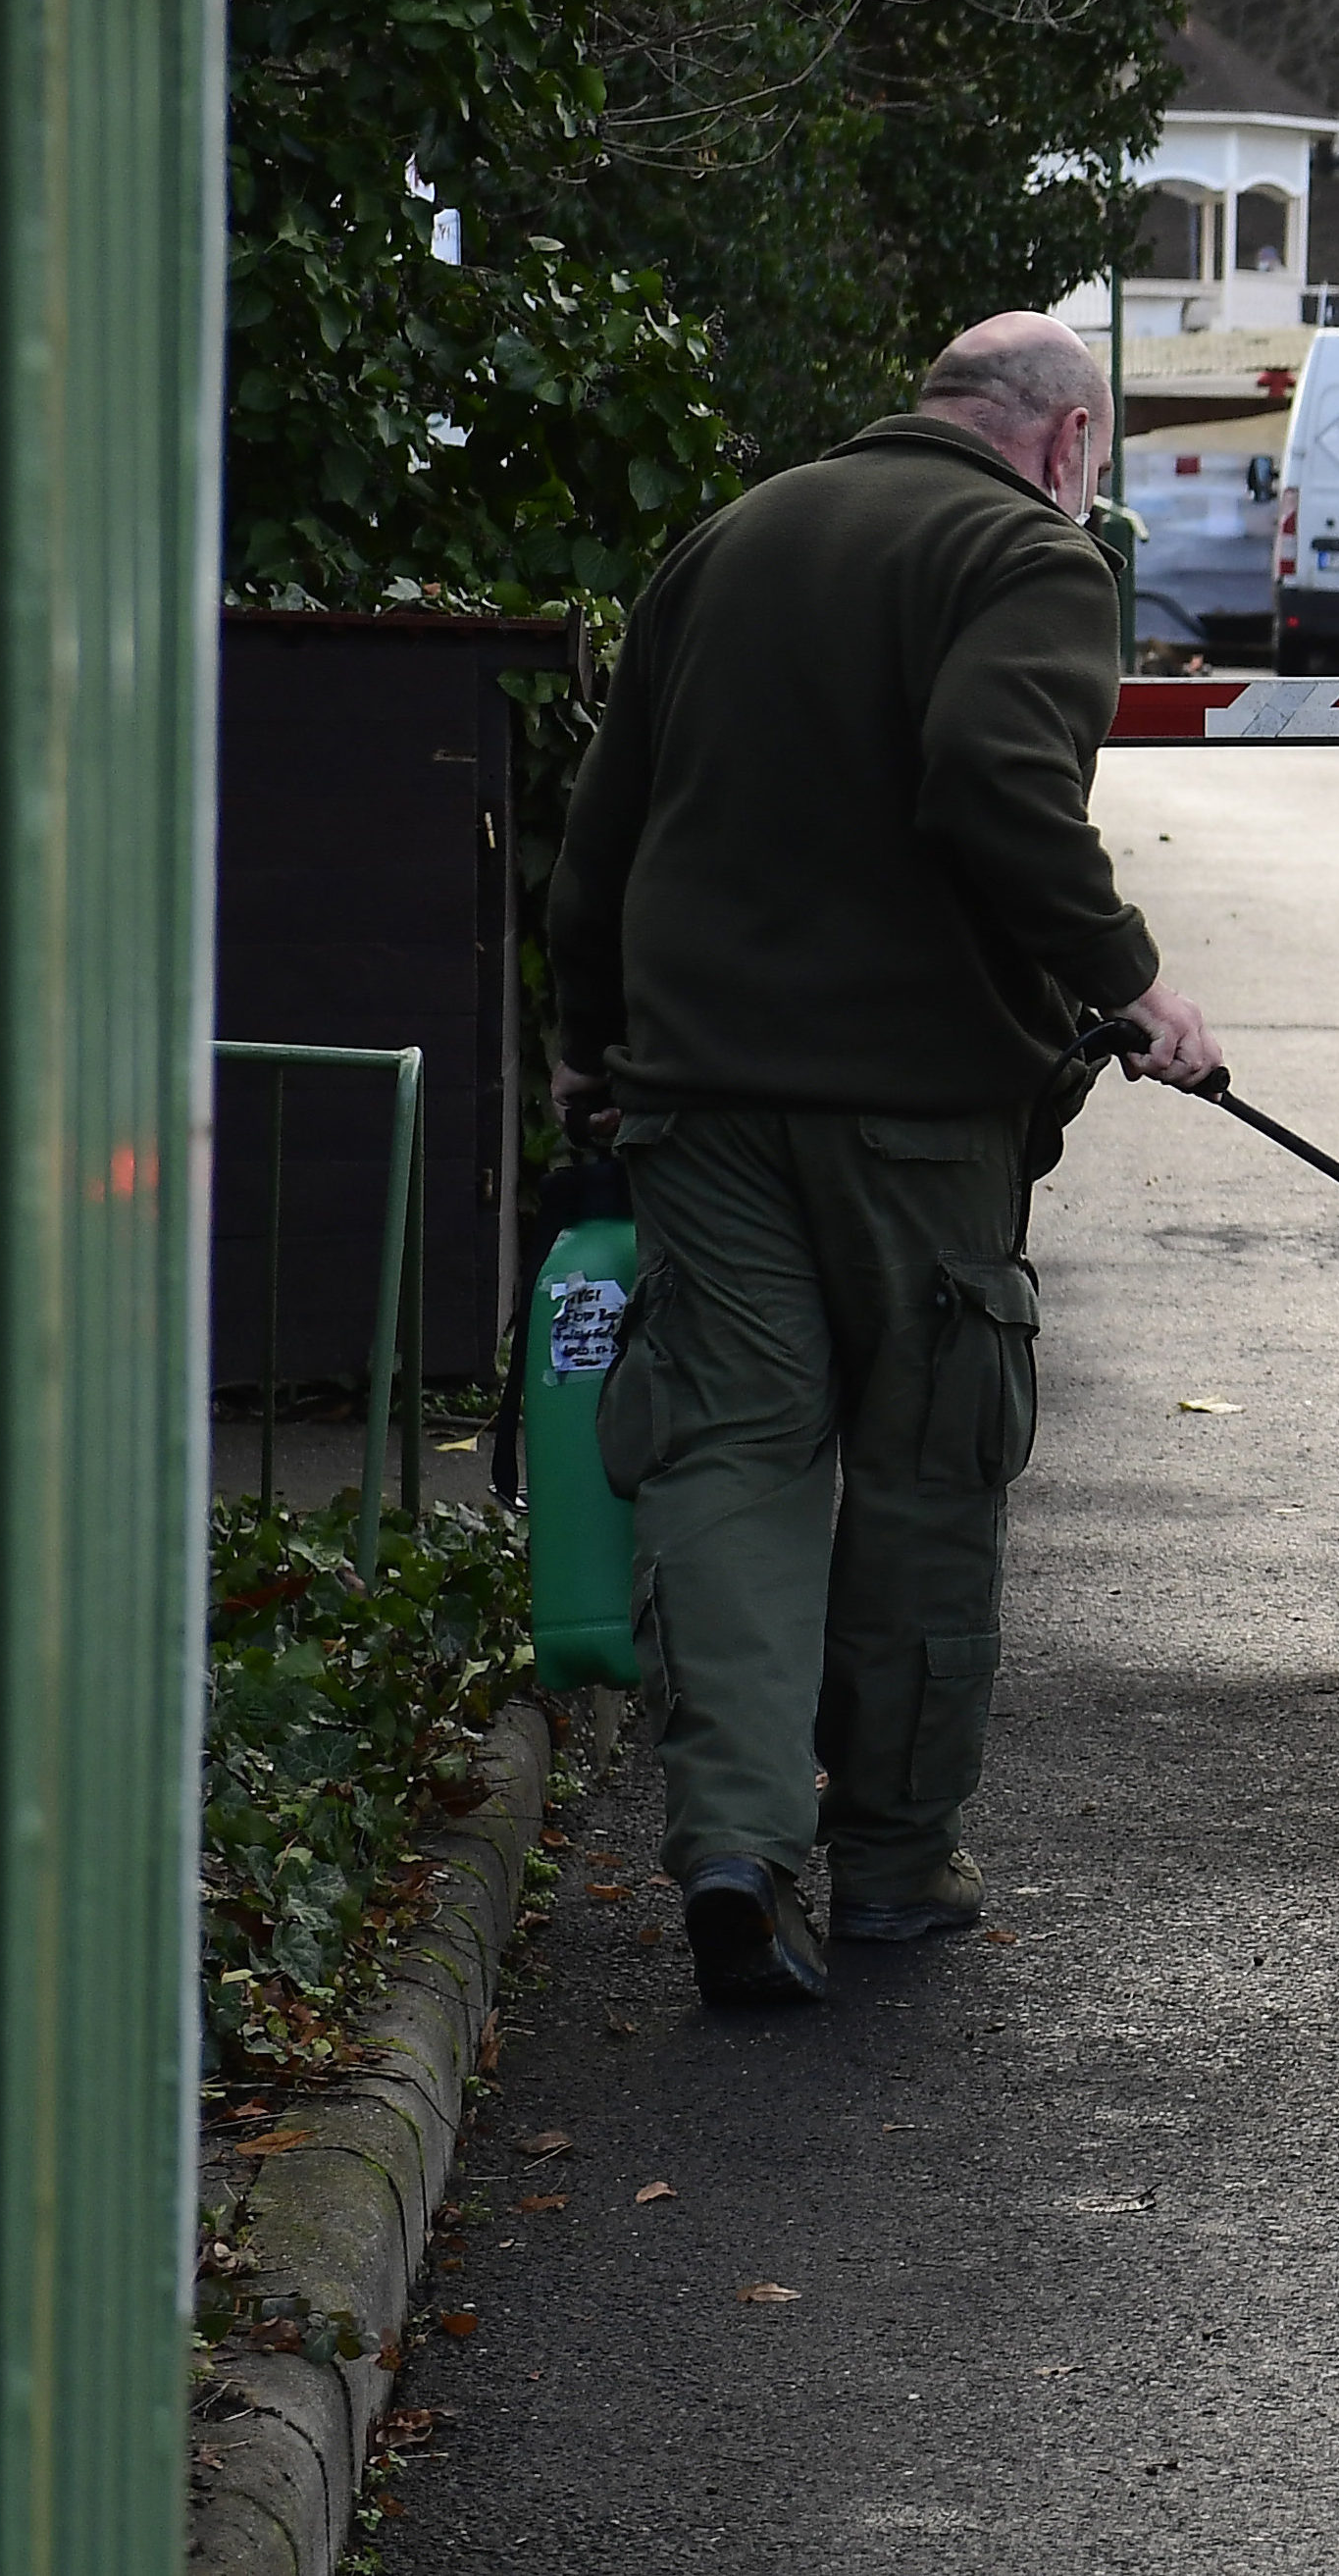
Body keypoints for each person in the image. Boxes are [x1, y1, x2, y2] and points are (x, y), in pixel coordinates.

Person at [547, 313, 1224, 2008]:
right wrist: (1131, 985)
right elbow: (993, 777)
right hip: (918, 1114)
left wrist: (592, 1049)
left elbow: (601, 833)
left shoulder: (730, 536)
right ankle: (900, 1870)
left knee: (732, 1457)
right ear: (1071, 442)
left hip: (701, 1097)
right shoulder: (1032, 560)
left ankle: (733, 1848)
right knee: (927, 1473)